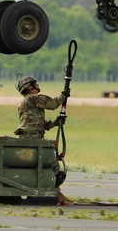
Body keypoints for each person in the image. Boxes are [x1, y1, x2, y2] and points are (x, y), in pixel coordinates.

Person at [14, 75, 72, 205]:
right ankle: (54, 193)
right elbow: (52, 104)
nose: (38, 85)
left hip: (32, 136)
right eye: (36, 83)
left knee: (49, 165)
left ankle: (56, 192)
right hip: (33, 139)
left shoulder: (28, 102)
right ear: (30, 87)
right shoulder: (32, 98)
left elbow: (39, 124)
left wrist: (55, 123)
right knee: (53, 165)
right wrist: (63, 96)